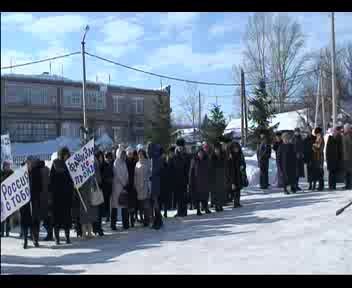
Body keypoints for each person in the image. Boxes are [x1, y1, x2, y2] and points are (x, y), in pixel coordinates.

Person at [50, 147, 74, 244]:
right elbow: (51, 180)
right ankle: (57, 238)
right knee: (57, 219)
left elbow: (72, 178)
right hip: (57, 196)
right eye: (66, 154)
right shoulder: (55, 163)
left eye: (67, 155)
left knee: (66, 218)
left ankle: (67, 237)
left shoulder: (69, 163)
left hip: (66, 195)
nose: (67, 156)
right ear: (62, 154)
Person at [189, 148, 211, 216]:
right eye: (199, 153)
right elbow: (191, 172)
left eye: (202, 153)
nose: (201, 154)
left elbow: (209, 170)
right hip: (196, 181)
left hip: (205, 181)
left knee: (205, 196)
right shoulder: (194, 160)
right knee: (197, 197)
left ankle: (206, 208)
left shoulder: (206, 160)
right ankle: (198, 210)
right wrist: (190, 181)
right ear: (197, 153)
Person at [111, 147, 129, 230]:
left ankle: (125, 224)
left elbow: (126, 174)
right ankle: (113, 224)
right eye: (122, 154)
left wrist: (126, 182)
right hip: (117, 186)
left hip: (123, 187)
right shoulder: (116, 163)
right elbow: (118, 175)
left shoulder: (124, 163)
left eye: (124, 154)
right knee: (115, 205)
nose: (123, 156)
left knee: (124, 205)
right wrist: (123, 183)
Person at [173, 139, 191, 217]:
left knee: (184, 196)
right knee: (178, 196)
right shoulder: (175, 155)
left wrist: (188, 180)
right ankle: (179, 211)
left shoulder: (186, 155)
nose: (180, 148)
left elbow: (188, 168)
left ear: (183, 147)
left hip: (184, 179)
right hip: (176, 179)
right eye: (178, 146)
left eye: (181, 146)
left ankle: (184, 211)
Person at [148, 143, 164, 230]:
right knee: (154, 202)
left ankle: (158, 221)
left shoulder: (155, 158)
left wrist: (151, 175)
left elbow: (154, 171)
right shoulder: (155, 158)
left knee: (155, 202)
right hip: (154, 183)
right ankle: (158, 220)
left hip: (155, 183)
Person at [134, 149, 152, 227]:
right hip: (138, 186)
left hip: (145, 185)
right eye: (139, 154)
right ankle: (142, 218)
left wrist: (147, 182)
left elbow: (150, 173)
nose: (140, 155)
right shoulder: (137, 164)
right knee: (141, 205)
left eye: (141, 154)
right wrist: (136, 184)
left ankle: (147, 220)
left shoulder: (147, 162)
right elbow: (135, 175)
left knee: (146, 204)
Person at [226, 141, 247, 207]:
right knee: (234, 189)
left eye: (237, 148)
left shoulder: (240, 155)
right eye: (235, 148)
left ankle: (237, 202)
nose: (236, 149)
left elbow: (243, 163)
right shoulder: (230, 156)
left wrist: (243, 166)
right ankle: (235, 203)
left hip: (239, 174)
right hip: (233, 175)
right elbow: (229, 167)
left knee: (238, 188)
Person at [210, 143, 227, 212]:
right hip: (214, 177)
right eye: (216, 149)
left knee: (221, 191)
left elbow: (225, 166)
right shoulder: (212, 157)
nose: (217, 151)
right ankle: (217, 205)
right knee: (216, 192)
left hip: (221, 176)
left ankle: (220, 205)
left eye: (218, 149)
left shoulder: (223, 156)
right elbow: (210, 168)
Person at [93, 151, 105, 236]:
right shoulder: (95, 163)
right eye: (101, 157)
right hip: (96, 187)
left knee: (98, 210)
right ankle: (97, 228)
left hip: (97, 187)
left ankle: (97, 228)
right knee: (97, 209)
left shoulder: (97, 163)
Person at [1, 161, 14, 237]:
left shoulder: (12, 173)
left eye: (9, 166)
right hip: (2, 197)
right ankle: (2, 232)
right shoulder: (1, 173)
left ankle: (7, 232)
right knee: (2, 215)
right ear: (4, 166)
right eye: (7, 166)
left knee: (8, 215)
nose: (8, 167)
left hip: (9, 198)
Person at [126, 147, 137, 228]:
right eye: (129, 153)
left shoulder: (134, 162)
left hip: (133, 184)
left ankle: (133, 218)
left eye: (131, 153)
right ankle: (129, 218)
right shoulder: (125, 162)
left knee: (133, 203)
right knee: (128, 204)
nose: (130, 155)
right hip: (127, 185)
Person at [160, 147, 173, 218]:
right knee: (160, 199)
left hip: (166, 182)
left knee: (165, 199)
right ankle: (160, 212)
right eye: (162, 154)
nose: (163, 155)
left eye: (164, 154)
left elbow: (169, 171)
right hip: (161, 182)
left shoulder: (167, 162)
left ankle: (165, 212)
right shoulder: (159, 162)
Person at [101, 151, 114, 223]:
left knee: (111, 202)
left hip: (112, 186)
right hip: (105, 187)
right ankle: (107, 216)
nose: (109, 159)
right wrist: (107, 179)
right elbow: (102, 175)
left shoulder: (113, 164)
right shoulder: (103, 165)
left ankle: (109, 216)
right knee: (106, 202)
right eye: (108, 158)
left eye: (110, 158)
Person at [342, 123, 352, 190]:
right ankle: (347, 184)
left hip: (348, 157)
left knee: (349, 172)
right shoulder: (345, 135)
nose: (344, 129)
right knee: (346, 172)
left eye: (345, 128)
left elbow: (350, 145)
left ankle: (349, 185)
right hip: (345, 157)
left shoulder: (348, 135)